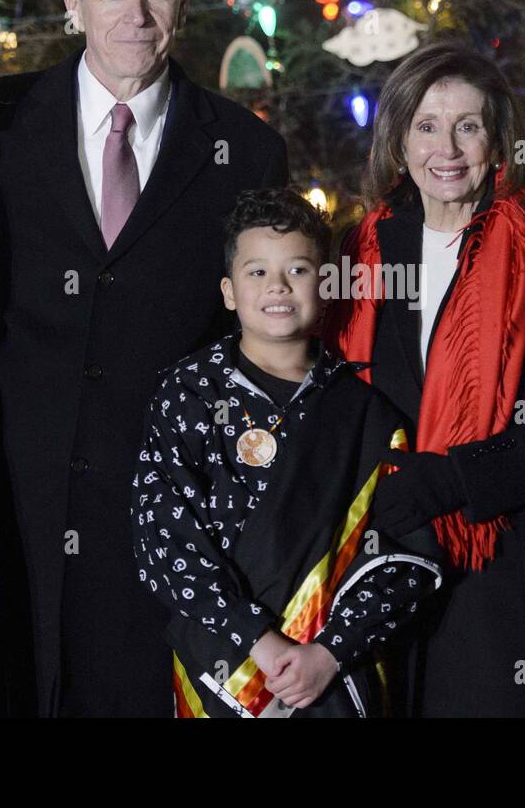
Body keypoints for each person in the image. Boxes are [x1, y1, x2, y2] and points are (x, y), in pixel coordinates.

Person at [0, 0, 288, 717]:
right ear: (72, 3)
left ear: (182, 1)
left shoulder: (245, 150)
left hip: (159, 532)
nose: (135, 16)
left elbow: (254, 344)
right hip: (2, 510)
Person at [324, 41, 525, 717]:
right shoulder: (360, 253)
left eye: (468, 125)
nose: (449, 147)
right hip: (384, 573)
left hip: (511, 577)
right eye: (427, 126)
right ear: (400, 139)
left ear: (498, 143)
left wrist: (458, 476)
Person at [131, 188, 442, 717]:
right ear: (228, 291)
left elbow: (407, 556)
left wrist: (330, 651)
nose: (277, 286)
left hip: (332, 675)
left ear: (325, 287)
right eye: (257, 272)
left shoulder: (365, 412)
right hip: (222, 669)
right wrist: (258, 640)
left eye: (297, 270)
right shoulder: (187, 394)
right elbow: (163, 540)